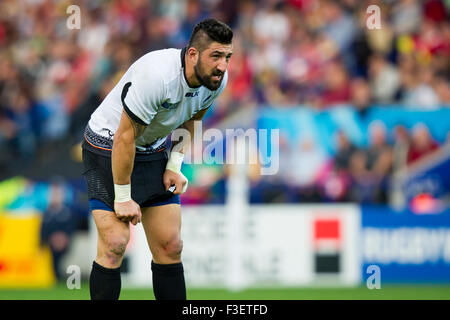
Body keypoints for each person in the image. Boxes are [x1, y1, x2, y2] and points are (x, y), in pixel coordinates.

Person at [81, 18, 233, 300]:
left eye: (227, 56)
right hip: (107, 145)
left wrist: (174, 165)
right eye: (216, 56)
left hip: (151, 149)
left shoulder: (216, 80)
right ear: (192, 54)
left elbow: (193, 118)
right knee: (115, 243)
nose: (223, 66)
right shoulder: (158, 76)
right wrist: (124, 196)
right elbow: (124, 138)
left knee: (171, 245)